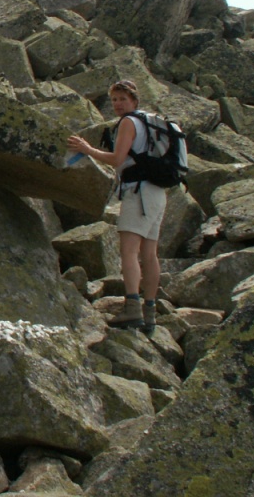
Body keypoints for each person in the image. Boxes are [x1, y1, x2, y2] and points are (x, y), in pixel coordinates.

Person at [66, 79, 164, 333]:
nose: (118, 105)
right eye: (114, 100)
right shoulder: (151, 122)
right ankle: (150, 313)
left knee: (129, 251)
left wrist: (87, 149)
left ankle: (132, 308)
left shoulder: (129, 123)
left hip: (138, 192)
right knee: (150, 254)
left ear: (134, 100)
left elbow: (117, 159)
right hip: (157, 193)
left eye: (122, 99)